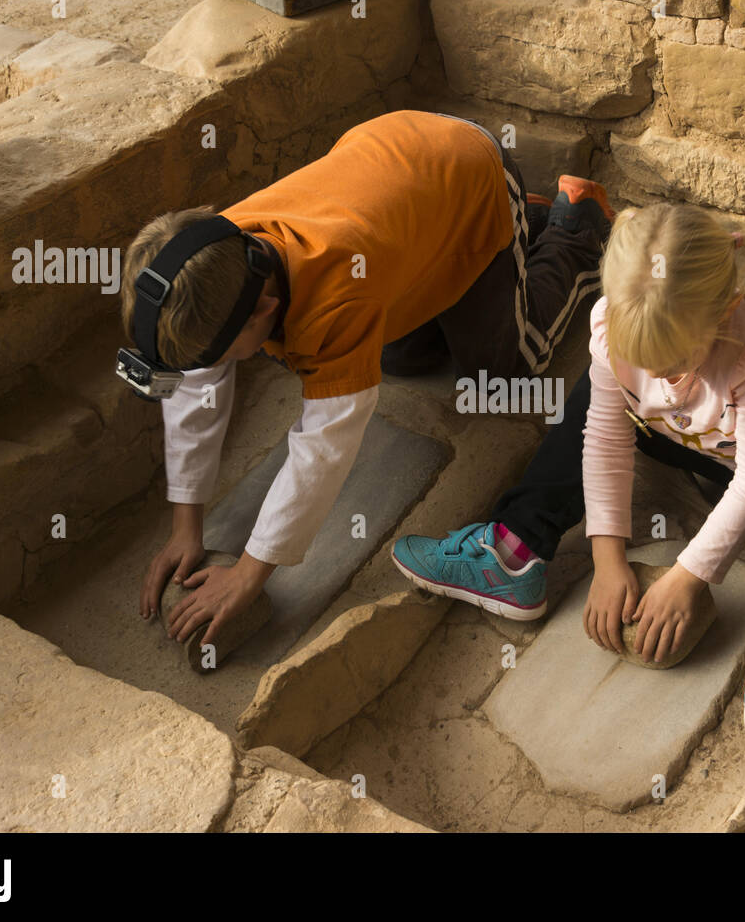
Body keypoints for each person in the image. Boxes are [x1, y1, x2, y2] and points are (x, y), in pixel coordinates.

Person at [391, 202, 745, 818]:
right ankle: (515, 554)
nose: (655, 372)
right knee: (591, 408)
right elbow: (606, 434)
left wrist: (687, 575)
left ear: (723, 311)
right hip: (704, 448)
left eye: (674, 360)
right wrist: (607, 560)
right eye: (644, 358)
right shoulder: (614, 324)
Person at [121, 110, 613, 652]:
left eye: (218, 356)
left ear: (265, 310)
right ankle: (524, 235)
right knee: (401, 358)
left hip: (471, 174)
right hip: (397, 166)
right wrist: (186, 525)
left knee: (504, 374)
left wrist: (247, 574)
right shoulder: (209, 255)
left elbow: (323, 449)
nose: (209, 369)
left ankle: (569, 231)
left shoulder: (336, 301)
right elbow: (195, 386)